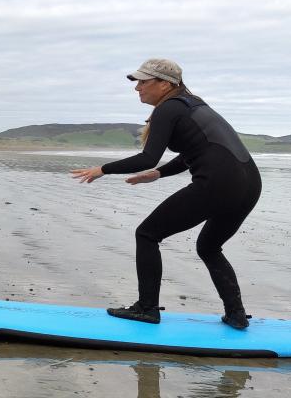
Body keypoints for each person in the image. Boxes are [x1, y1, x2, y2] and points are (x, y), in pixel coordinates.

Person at [70, 58, 260, 329]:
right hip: (249, 183)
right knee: (208, 246)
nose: (137, 88)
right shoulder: (191, 105)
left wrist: (103, 169)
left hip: (218, 184)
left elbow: (148, 157)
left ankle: (147, 309)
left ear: (164, 84)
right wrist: (160, 173)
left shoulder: (169, 108)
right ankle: (236, 315)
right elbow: (198, 152)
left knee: (147, 234)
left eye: (143, 82)